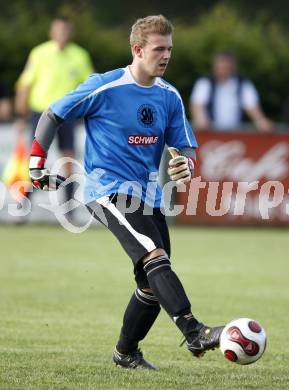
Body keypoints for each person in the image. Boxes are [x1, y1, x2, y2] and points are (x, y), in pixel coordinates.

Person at [28, 15, 224, 370]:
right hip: (106, 191)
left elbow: (184, 147)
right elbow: (53, 114)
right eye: (159, 49)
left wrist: (187, 165)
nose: (166, 56)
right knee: (154, 255)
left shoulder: (169, 95)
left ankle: (126, 353)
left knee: (151, 280)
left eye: (169, 49)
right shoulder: (105, 86)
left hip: (148, 195)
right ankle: (193, 330)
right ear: (137, 49)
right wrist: (36, 164)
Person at [15, 16, 94, 210]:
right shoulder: (40, 53)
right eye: (59, 30)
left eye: (66, 30)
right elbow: (25, 84)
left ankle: (68, 209)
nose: (62, 34)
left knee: (68, 158)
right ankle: (21, 207)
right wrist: (21, 115)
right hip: (41, 114)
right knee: (34, 161)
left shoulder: (80, 55)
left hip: (67, 116)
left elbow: (92, 86)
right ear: (52, 32)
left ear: (71, 32)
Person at [190, 51, 272, 132]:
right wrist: (200, 117)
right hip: (210, 133)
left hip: (237, 133)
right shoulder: (205, 82)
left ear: (232, 68)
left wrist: (260, 120)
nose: (221, 71)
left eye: (225, 68)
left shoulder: (242, 84)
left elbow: (251, 106)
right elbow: (197, 104)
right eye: (219, 67)